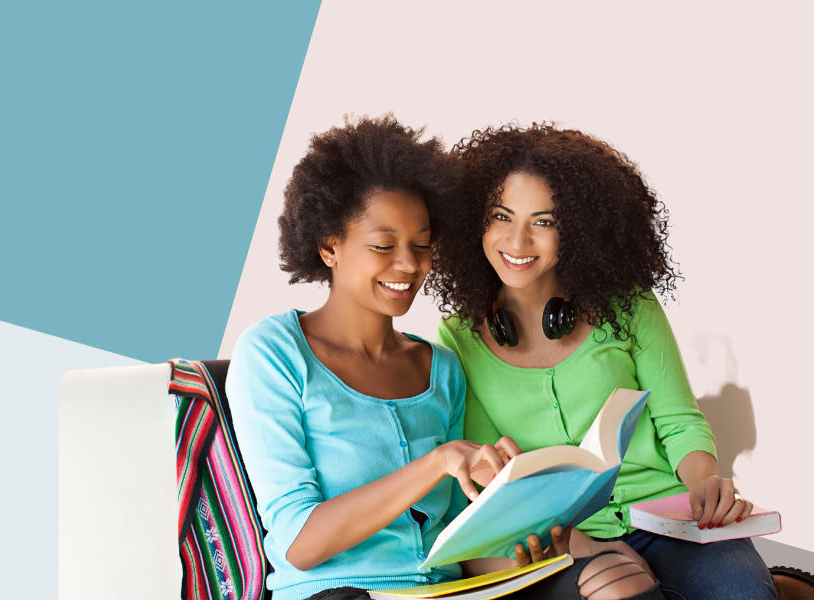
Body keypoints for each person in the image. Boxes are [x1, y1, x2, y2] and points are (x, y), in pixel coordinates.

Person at [226, 114, 661, 600]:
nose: (409, 265)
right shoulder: (273, 353)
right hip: (343, 593)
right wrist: (435, 463)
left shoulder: (441, 368)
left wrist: (533, 544)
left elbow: (460, 532)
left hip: (449, 592)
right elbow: (296, 544)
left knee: (617, 583)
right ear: (329, 245)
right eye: (383, 246)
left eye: (421, 244)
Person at [428, 122, 776, 599]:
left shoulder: (629, 306)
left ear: (579, 228)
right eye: (501, 217)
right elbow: (498, 475)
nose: (517, 240)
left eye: (544, 221)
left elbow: (678, 422)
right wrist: (589, 548)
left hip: (668, 518)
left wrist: (705, 483)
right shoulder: (459, 337)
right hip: (562, 537)